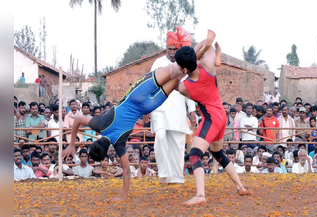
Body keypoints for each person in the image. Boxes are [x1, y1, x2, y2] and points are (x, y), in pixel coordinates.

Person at [62, 51, 189, 202]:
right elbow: (77, 120)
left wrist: (122, 197)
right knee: (176, 68)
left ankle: (200, 61)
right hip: (138, 92)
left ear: (106, 154)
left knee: (180, 76)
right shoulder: (99, 124)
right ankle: (200, 51)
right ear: (95, 142)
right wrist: (71, 144)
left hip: (148, 105)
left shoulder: (118, 144)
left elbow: (127, 171)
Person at [176, 31, 249, 205]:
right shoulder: (208, 65)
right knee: (217, 153)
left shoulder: (184, 87)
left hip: (211, 119)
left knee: (194, 154)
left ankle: (200, 195)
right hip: (222, 117)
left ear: (184, 69)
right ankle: (240, 187)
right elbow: (207, 44)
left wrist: (194, 56)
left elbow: (179, 79)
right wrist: (205, 47)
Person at [150, 26, 196, 184]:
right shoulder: (157, 63)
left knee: (177, 143)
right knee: (160, 136)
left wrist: (192, 110)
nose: (171, 52)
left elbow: (190, 87)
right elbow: (151, 85)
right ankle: (163, 173)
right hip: (159, 107)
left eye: (174, 49)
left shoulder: (184, 64)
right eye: (169, 49)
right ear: (165, 48)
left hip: (177, 108)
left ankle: (176, 178)